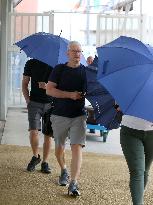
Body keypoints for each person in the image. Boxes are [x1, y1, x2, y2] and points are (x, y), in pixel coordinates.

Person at [46, 41, 87, 196]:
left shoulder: (85, 72)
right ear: (67, 53)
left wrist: (95, 73)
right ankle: (63, 169)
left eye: (79, 51)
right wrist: (70, 95)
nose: (77, 54)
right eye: (74, 51)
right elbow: (49, 90)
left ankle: (74, 182)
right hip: (59, 115)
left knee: (77, 147)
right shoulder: (59, 69)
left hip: (79, 115)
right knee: (59, 148)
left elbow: (92, 90)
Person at [22, 58, 53, 174]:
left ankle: (45, 162)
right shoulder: (30, 63)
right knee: (33, 131)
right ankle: (35, 157)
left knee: (48, 134)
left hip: (51, 104)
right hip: (34, 103)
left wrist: (47, 87)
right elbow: (25, 84)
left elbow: (61, 86)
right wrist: (28, 100)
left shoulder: (56, 64)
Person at [120, 115, 153, 205]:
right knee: (137, 171)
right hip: (130, 130)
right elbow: (115, 102)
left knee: (145, 171)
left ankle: (139, 199)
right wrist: (116, 106)